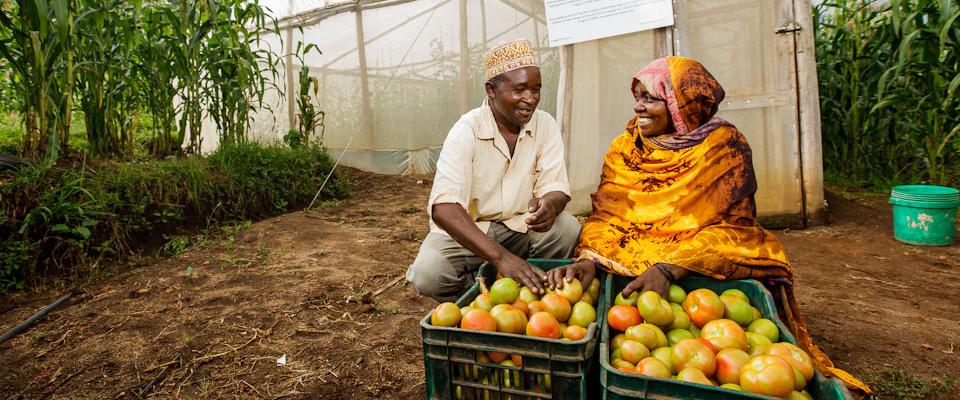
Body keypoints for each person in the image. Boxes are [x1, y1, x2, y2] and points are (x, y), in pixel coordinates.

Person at [545, 56, 869, 395]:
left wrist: (670, 267)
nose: (639, 107)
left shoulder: (723, 145)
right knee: (593, 241)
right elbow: (607, 215)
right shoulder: (626, 147)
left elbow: (736, 224)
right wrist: (589, 258)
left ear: (683, 104)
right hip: (634, 248)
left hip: (692, 246)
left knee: (745, 249)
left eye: (651, 99)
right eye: (637, 97)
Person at [406, 38, 580, 302]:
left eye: (536, 90)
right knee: (429, 273)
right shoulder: (467, 131)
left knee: (566, 228)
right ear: (491, 89)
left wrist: (550, 205)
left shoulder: (545, 125)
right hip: (473, 229)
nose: (530, 99)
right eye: (520, 89)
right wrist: (501, 258)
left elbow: (556, 187)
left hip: (521, 225)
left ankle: (533, 293)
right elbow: (444, 208)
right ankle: (482, 299)